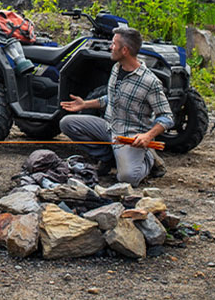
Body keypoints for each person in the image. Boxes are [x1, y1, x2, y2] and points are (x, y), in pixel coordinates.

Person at [59, 25, 171, 186]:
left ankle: (149, 159)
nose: (110, 47)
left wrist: (148, 136)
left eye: (113, 44)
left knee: (127, 178)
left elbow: (166, 117)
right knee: (68, 123)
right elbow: (111, 98)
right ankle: (109, 157)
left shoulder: (150, 82)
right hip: (109, 128)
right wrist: (84, 104)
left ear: (124, 50)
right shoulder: (116, 68)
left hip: (131, 135)